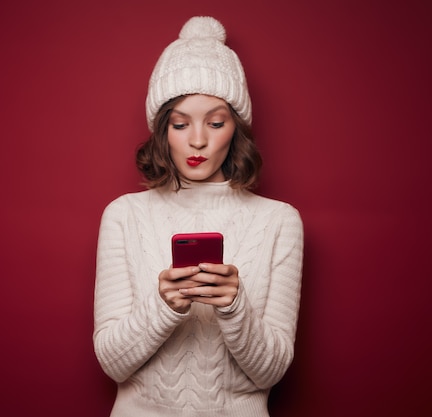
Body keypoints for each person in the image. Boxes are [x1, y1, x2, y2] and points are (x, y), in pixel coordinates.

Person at [93, 16, 303, 417]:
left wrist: (234, 306)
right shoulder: (124, 215)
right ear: (162, 130)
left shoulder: (280, 222)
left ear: (235, 129)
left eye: (216, 122)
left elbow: (270, 373)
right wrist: (164, 305)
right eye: (180, 123)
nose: (198, 140)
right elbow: (112, 363)